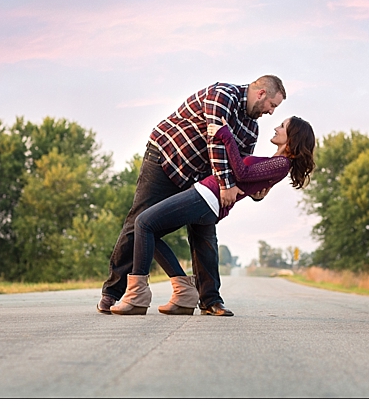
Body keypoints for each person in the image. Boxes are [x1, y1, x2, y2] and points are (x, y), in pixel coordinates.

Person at [97, 76, 287, 316]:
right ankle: (113, 292)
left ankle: (210, 300)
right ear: (261, 93)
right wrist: (226, 184)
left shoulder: (251, 128)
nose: (271, 112)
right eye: (272, 105)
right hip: (167, 161)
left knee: (205, 233)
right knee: (139, 221)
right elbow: (215, 143)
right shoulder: (223, 95)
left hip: (202, 179)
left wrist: (255, 192)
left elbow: (240, 166)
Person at [110, 116, 316, 315]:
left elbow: (242, 172)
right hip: (207, 197)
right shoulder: (276, 162)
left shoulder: (281, 164)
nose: (276, 128)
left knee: (143, 223)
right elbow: (248, 180)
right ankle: (184, 293)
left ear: (293, 137)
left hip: (206, 197)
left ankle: (137, 296)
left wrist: (226, 135)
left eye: (282, 126)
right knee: (148, 233)